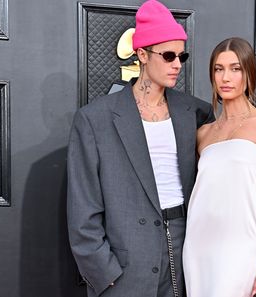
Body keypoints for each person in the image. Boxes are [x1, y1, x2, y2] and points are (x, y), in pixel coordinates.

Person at [66, 1, 214, 297]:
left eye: (181, 56)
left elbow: (224, 166)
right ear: (142, 54)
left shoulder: (196, 113)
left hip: (189, 252)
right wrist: (103, 272)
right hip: (125, 262)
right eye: (168, 55)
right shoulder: (95, 119)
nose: (177, 65)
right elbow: (82, 207)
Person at [182, 37, 256, 297]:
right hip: (199, 243)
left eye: (235, 68)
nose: (225, 78)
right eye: (218, 69)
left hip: (243, 244)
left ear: (248, 73)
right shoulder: (203, 133)